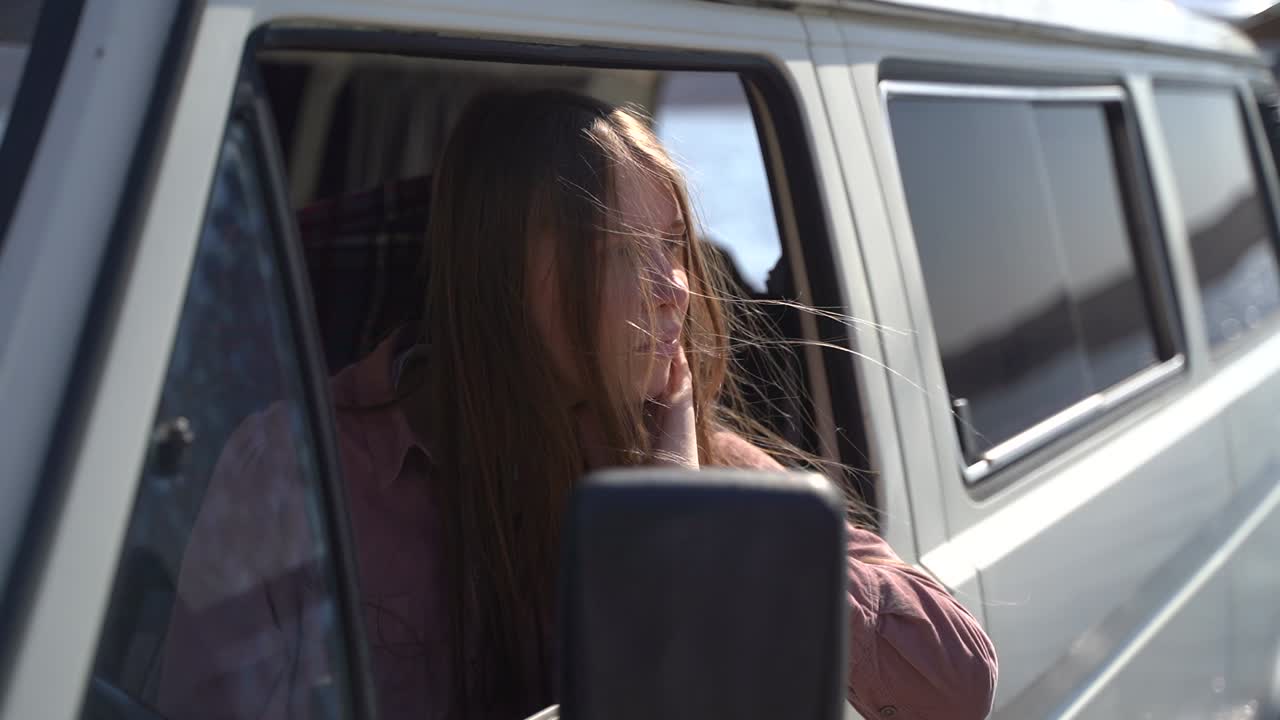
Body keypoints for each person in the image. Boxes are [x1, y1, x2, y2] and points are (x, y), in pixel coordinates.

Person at [158, 89, 997, 720]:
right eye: (626, 252)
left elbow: (958, 684)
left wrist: (688, 507)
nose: (677, 287)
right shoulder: (299, 471)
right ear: (509, 282)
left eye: (673, 245)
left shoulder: (689, 452)